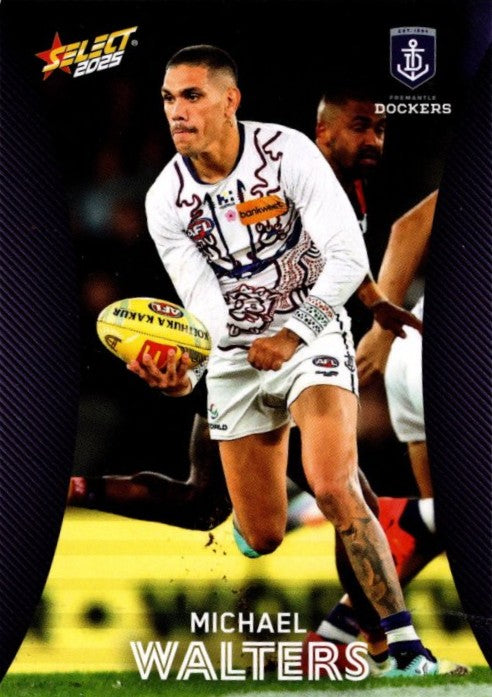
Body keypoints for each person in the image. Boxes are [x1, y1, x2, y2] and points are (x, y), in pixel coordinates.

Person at [123, 44, 448, 677]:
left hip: (314, 330)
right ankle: (287, 513)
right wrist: (185, 376)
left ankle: (404, 648)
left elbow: (348, 259)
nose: (176, 111)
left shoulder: (286, 152)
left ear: (230, 100)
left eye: (191, 96)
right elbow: (203, 307)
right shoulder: (165, 200)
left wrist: (295, 334)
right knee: (262, 534)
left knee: (333, 482)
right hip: (240, 357)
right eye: (168, 99)